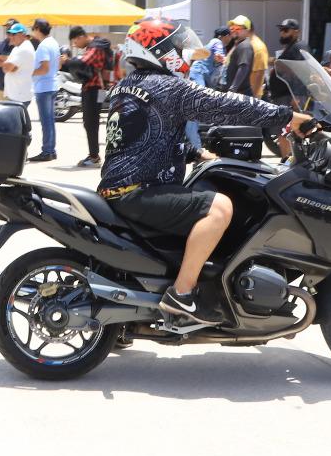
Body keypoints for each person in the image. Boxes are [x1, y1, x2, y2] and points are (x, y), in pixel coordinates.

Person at [99, 20, 310, 326]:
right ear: (160, 51)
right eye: (178, 49)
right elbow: (224, 105)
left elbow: (141, 139)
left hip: (122, 188)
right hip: (138, 192)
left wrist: (194, 152)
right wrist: (287, 115)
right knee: (220, 207)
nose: (184, 56)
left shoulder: (127, 86)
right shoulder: (167, 86)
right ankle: (182, 295)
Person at [71, 27, 114, 167]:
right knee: (91, 122)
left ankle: (94, 157)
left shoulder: (95, 48)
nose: (75, 45)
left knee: (91, 122)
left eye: (75, 42)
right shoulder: (97, 45)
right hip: (98, 89)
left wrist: (66, 62)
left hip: (94, 90)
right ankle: (93, 155)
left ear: (80, 37)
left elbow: (84, 62)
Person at [29, 18, 60, 162]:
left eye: (33, 29)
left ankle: (47, 151)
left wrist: (29, 72)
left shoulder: (43, 46)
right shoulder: (53, 42)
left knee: (46, 121)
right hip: (52, 85)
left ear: (37, 29)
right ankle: (50, 150)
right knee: (50, 120)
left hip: (44, 87)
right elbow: (57, 65)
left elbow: (44, 68)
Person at [1, 20, 36, 125]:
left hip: (19, 95)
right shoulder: (18, 47)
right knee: (17, 125)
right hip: (16, 94)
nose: (10, 36)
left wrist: (7, 64)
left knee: (16, 127)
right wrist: (8, 65)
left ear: (22, 34)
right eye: (9, 33)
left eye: (13, 34)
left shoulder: (24, 49)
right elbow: (8, 67)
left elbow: (7, 68)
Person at [220, 17, 256, 95]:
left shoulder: (245, 46)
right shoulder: (237, 45)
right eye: (232, 28)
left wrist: (232, 89)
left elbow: (243, 67)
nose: (234, 31)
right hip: (234, 94)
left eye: (238, 28)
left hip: (239, 94)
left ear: (247, 30)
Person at [0, 19, 16, 101]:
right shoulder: (2, 44)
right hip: (0, 85)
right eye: (7, 28)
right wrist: (8, 62)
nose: (8, 30)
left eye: (10, 28)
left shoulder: (20, 46)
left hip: (14, 87)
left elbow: (17, 64)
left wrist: (2, 59)